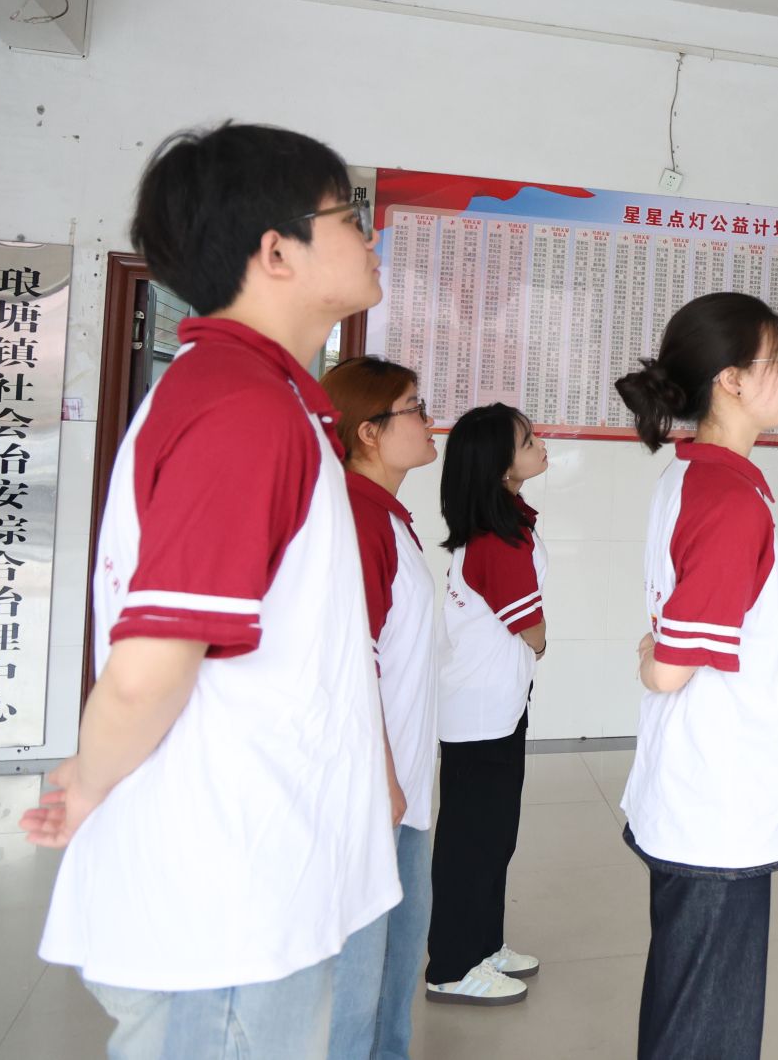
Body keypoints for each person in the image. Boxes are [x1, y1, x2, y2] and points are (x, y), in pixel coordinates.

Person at [24, 123, 398, 1059]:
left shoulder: (263, 397)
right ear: (276, 251)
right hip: (225, 895)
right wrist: (89, 779)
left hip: (249, 871)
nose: (370, 236)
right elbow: (152, 665)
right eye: (349, 215)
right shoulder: (241, 407)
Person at [613, 292, 778, 1060]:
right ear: (729, 379)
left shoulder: (697, 476)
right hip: (716, 799)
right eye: (776, 360)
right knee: (704, 1026)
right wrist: (652, 656)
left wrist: (657, 650)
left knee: (685, 1003)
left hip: (697, 786)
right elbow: (668, 669)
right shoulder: (729, 500)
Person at [322, 357, 441, 1059]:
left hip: (403, 789)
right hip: (375, 792)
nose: (428, 420)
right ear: (368, 431)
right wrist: (384, 778)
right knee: (360, 977)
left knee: (397, 962)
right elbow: (351, 662)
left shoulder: (384, 515)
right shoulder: (358, 519)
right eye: (414, 408)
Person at [426, 403, 549, 1005]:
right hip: (479, 714)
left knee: (494, 836)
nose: (541, 443)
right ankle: (452, 965)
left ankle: (484, 944)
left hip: (494, 705)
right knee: (471, 843)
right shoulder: (498, 538)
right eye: (528, 440)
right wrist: (540, 645)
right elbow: (529, 625)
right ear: (500, 466)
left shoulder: (504, 521)